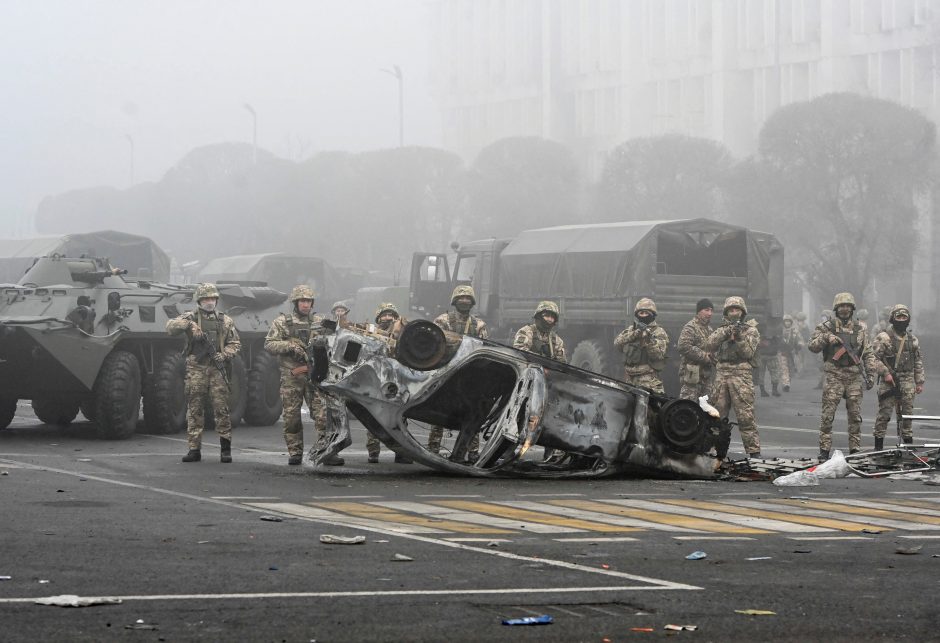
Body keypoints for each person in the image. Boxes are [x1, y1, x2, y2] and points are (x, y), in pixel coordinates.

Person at [264, 285, 343, 466]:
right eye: (302, 301)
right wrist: (290, 346)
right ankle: (295, 452)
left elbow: (337, 339)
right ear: (296, 303)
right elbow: (269, 344)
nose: (305, 305)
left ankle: (327, 452)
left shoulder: (320, 321)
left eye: (308, 301)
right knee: (292, 418)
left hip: (315, 376)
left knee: (323, 416)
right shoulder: (283, 322)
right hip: (292, 376)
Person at [166, 283, 241, 463]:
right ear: (199, 300)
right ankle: (194, 449)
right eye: (206, 299)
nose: (209, 302)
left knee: (221, 408)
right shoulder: (191, 317)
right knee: (194, 408)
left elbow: (235, 343)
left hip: (217, 368)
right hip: (196, 369)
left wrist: (224, 355)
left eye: (212, 299)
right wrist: (189, 325)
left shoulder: (225, 320)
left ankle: (225, 448)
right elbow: (170, 327)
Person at [807, 292, 882, 461]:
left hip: (854, 375)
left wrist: (870, 374)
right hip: (834, 374)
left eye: (848, 306)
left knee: (855, 416)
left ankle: (854, 449)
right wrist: (827, 338)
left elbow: (868, 352)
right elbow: (812, 346)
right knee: (828, 415)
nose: (845, 309)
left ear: (852, 308)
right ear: (836, 308)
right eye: (841, 306)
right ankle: (824, 450)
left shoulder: (860, 329)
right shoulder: (827, 327)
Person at [428, 286, 489, 459]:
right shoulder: (442, 321)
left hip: (470, 375)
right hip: (445, 372)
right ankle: (433, 449)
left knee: (473, 413)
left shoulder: (479, 325)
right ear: (455, 301)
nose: (464, 301)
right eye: (461, 298)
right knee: (438, 412)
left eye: (467, 298)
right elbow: (434, 345)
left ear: (472, 302)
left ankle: (472, 452)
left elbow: (485, 349)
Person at [703, 296, 762, 459]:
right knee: (717, 415)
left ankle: (753, 452)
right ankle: (714, 450)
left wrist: (740, 337)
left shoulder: (751, 330)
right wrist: (726, 332)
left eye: (737, 310)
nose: (734, 312)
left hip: (741, 374)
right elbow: (709, 344)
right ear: (726, 313)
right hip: (722, 374)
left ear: (743, 312)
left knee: (745, 415)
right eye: (730, 310)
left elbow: (748, 352)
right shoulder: (722, 329)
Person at [513, 301, 567, 462]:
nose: (549, 319)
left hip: (545, 385)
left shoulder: (556, 340)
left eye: (552, 317)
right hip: (526, 384)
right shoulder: (526, 331)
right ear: (538, 316)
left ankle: (549, 453)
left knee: (549, 419)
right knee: (519, 418)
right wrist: (540, 360)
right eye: (546, 315)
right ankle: (510, 451)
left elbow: (562, 362)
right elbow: (519, 352)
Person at [871, 304, 925, 450]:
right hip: (889, 381)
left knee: (907, 416)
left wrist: (919, 381)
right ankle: (878, 448)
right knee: (884, 414)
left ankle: (908, 448)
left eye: (904, 317)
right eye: (898, 316)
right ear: (892, 318)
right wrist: (885, 373)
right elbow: (872, 359)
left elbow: (918, 361)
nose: (901, 319)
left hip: (907, 380)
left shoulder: (912, 339)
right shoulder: (884, 337)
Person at [370, 303, 411, 463]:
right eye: (384, 315)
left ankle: (401, 453)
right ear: (378, 318)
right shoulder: (370, 332)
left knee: (400, 417)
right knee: (373, 414)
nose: (387, 318)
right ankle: (373, 452)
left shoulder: (402, 333)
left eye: (391, 315)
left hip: (397, 381)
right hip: (376, 379)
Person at [614, 297, 669, 394]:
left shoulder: (659, 332)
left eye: (646, 313)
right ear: (637, 315)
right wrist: (635, 334)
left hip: (648, 380)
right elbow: (617, 343)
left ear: (652, 315)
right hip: (629, 380)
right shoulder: (631, 330)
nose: (643, 316)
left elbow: (658, 354)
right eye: (641, 313)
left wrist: (647, 340)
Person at [677, 299, 715, 401]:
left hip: (705, 376)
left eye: (711, 310)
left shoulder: (710, 330)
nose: (710, 313)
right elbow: (683, 346)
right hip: (691, 376)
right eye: (706, 310)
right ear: (699, 311)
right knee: (688, 406)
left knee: (706, 408)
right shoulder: (690, 327)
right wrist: (704, 356)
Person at [754, 329, 782, 397]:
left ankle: (762, 391)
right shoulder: (775, 327)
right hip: (771, 355)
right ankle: (774, 390)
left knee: (761, 373)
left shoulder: (759, 328)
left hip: (761, 354)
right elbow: (779, 343)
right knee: (774, 371)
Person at [779, 314, 804, 391]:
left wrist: (799, 345)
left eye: (788, 321)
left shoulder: (794, 331)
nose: (787, 323)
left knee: (791, 369)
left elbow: (800, 339)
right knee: (784, 369)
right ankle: (786, 384)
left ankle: (788, 382)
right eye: (786, 321)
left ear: (791, 322)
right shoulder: (780, 331)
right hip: (782, 352)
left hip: (792, 353)